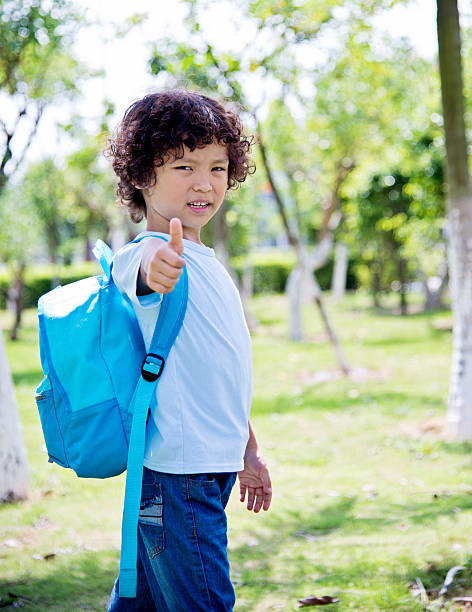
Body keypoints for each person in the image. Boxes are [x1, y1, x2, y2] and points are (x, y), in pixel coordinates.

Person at [106, 89, 272, 611]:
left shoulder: (205, 260)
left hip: (203, 467)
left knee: (145, 602)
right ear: (141, 176)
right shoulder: (150, 253)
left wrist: (247, 449)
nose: (204, 182)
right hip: (179, 478)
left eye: (218, 167)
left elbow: (219, 373)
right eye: (183, 165)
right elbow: (133, 269)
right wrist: (154, 267)